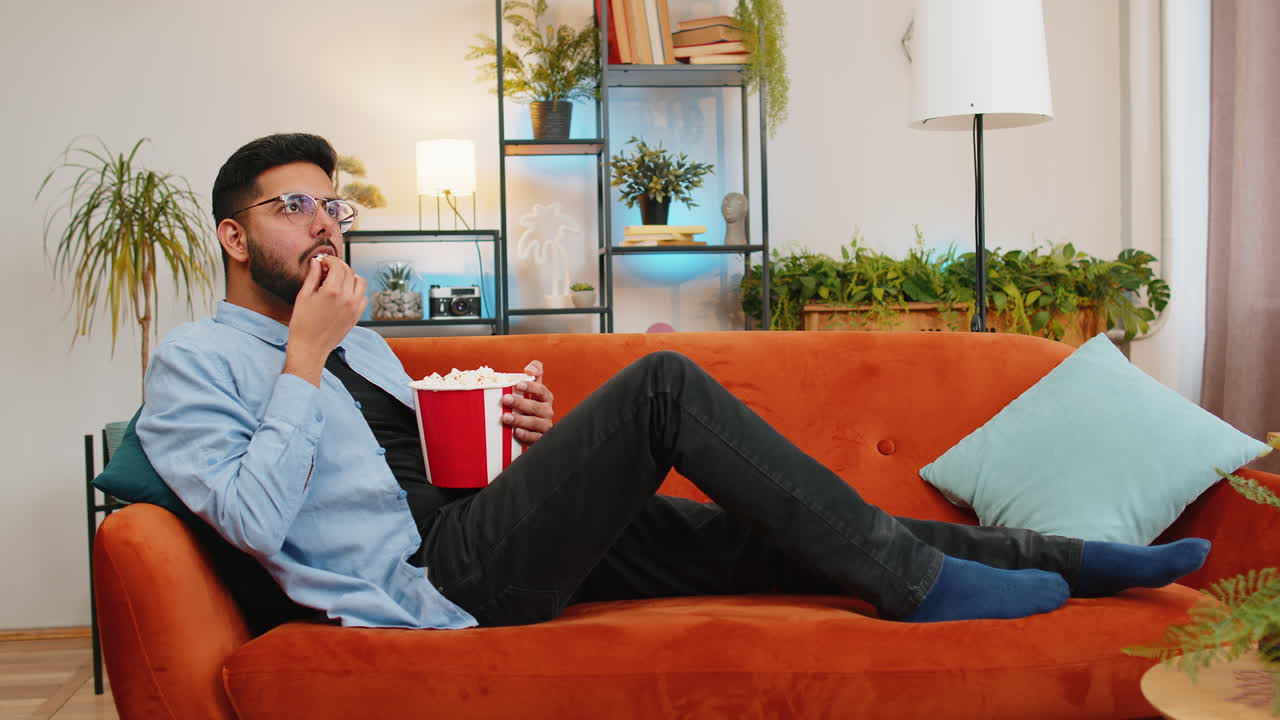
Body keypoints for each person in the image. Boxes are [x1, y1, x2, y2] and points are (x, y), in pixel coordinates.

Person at [139, 133, 1210, 630]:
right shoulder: (199, 363)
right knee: (659, 384)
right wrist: (305, 357)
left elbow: (420, 464)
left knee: (782, 531)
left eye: (333, 206)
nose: (325, 223)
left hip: (481, 525)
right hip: (436, 579)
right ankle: (921, 589)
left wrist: (521, 434)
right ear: (234, 236)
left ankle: (1080, 561)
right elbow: (244, 518)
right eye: (295, 207)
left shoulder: (362, 346)